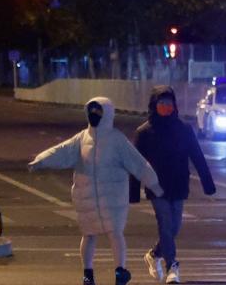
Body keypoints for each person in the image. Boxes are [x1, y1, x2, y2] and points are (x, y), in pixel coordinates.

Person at [29, 97, 163, 285]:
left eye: (98, 113)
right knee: (90, 235)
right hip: (87, 198)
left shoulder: (116, 140)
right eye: (92, 113)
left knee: (114, 233)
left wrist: (154, 184)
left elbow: (138, 163)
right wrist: (41, 160)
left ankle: (119, 271)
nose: (94, 116)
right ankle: (88, 274)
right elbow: (62, 151)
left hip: (112, 199)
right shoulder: (82, 138)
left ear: (106, 114)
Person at [130, 86, 216, 284]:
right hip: (156, 186)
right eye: (162, 104)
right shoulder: (144, 132)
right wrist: (133, 191)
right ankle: (172, 267)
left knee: (174, 227)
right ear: (154, 106)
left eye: (169, 104)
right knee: (165, 225)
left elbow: (197, 156)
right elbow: (136, 163)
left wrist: (207, 183)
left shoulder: (184, 129)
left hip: (178, 184)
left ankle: (154, 255)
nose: (166, 108)